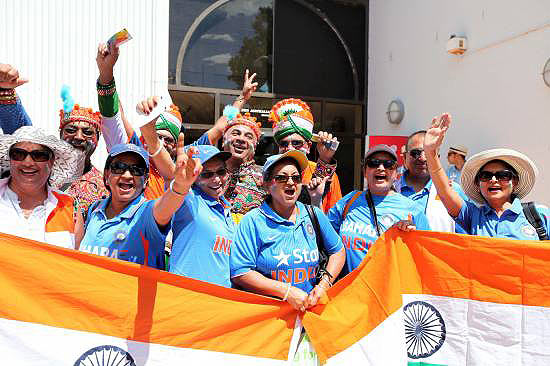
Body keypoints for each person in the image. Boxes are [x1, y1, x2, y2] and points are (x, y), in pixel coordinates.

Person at [230, 150, 345, 312]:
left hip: (311, 313)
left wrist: (324, 285)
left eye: (296, 177)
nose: (290, 182)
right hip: (269, 319)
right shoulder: (252, 221)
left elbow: (338, 251)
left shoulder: (314, 214)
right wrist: (287, 292)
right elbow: (240, 272)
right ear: (267, 184)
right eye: (282, 178)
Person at [0, 64, 109, 215]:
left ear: (98, 138)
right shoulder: (38, 169)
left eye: (87, 132)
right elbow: (21, 133)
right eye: (70, 130)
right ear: (60, 136)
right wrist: (6, 91)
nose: (78, 137)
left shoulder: (106, 185)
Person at [424, 113, 549, 240]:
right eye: (486, 176)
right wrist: (430, 152)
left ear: (515, 181)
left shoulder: (539, 215)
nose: (493, 180)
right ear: (478, 184)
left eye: (503, 175)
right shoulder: (472, 216)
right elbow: (445, 192)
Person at [79, 141, 200, 269]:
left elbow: (166, 206)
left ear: (145, 180)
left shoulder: (146, 214)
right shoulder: (94, 210)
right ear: (107, 175)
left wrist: (180, 186)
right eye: (118, 167)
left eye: (136, 170)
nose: (127, 175)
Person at [328, 144, 430, 275]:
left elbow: (426, 258)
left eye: (388, 164)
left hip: (389, 291)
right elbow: (324, 236)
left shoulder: (412, 209)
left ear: (395, 173)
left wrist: (411, 237)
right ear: (365, 171)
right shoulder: (350, 200)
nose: (381, 168)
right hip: (349, 292)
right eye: (373, 163)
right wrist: (316, 198)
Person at [0, 126, 85, 248]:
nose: (28, 163)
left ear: (51, 161)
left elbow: (76, 262)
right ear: (10, 159)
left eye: (38, 155)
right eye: (18, 154)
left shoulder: (70, 207)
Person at [269, 98, 342, 212]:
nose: (290, 148)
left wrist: (325, 158)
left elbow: (334, 217)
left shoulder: (329, 176)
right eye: (284, 143)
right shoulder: (269, 172)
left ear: (308, 146)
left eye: (296, 143)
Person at [394, 130, 468, 232]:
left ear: (437, 158)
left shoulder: (453, 191)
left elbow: (465, 237)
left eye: (428, 153)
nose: (423, 158)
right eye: (416, 153)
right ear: (405, 157)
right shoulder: (388, 191)